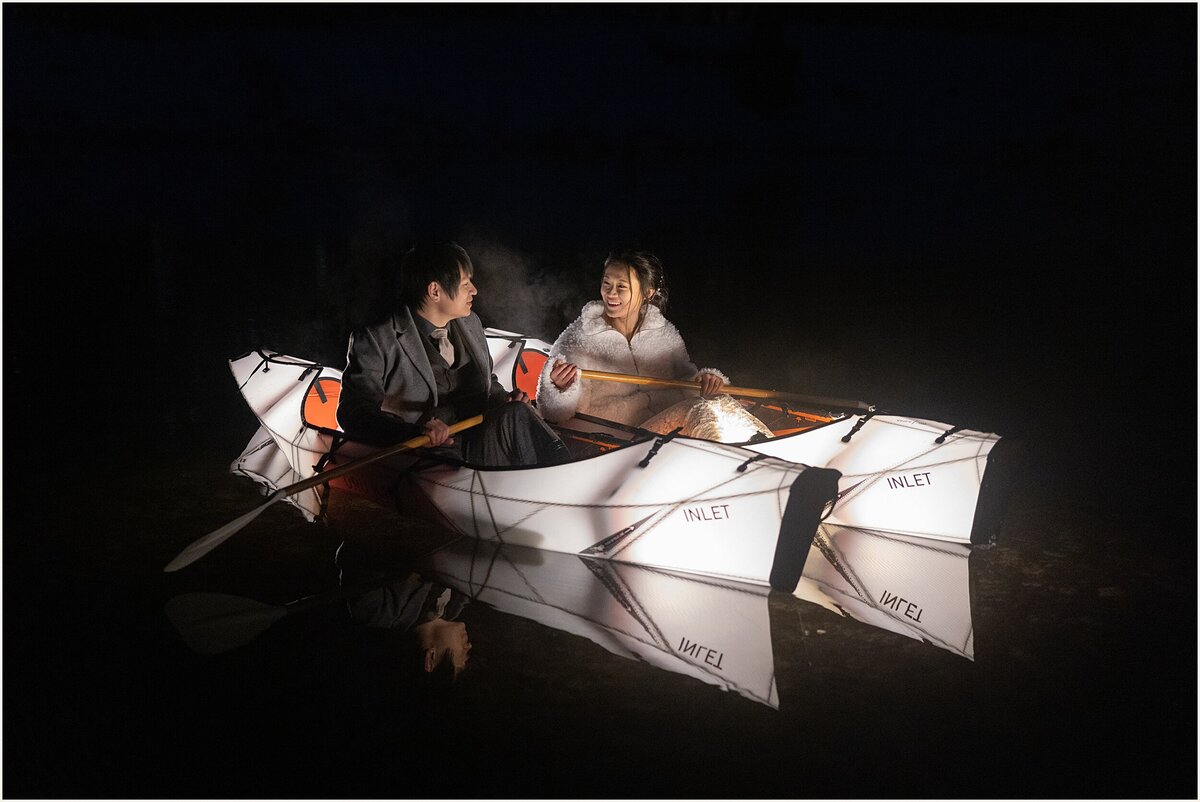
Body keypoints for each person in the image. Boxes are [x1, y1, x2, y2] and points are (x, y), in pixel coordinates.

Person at [337, 240, 569, 467]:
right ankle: (559, 477)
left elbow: (490, 383)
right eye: (465, 284)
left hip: (480, 446)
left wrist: (504, 399)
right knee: (520, 428)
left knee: (517, 411)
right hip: (427, 459)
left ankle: (563, 471)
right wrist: (413, 433)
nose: (474, 290)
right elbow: (353, 412)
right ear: (435, 291)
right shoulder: (377, 337)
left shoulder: (471, 323)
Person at [536, 250, 773, 443]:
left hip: (660, 430)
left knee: (721, 402)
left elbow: (686, 381)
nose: (611, 293)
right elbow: (552, 413)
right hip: (614, 441)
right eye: (606, 283)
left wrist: (706, 383)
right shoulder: (579, 336)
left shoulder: (663, 332)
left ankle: (774, 454)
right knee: (695, 410)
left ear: (647, 293)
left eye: (622, 286)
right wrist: (558, 388)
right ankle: (738, 467)